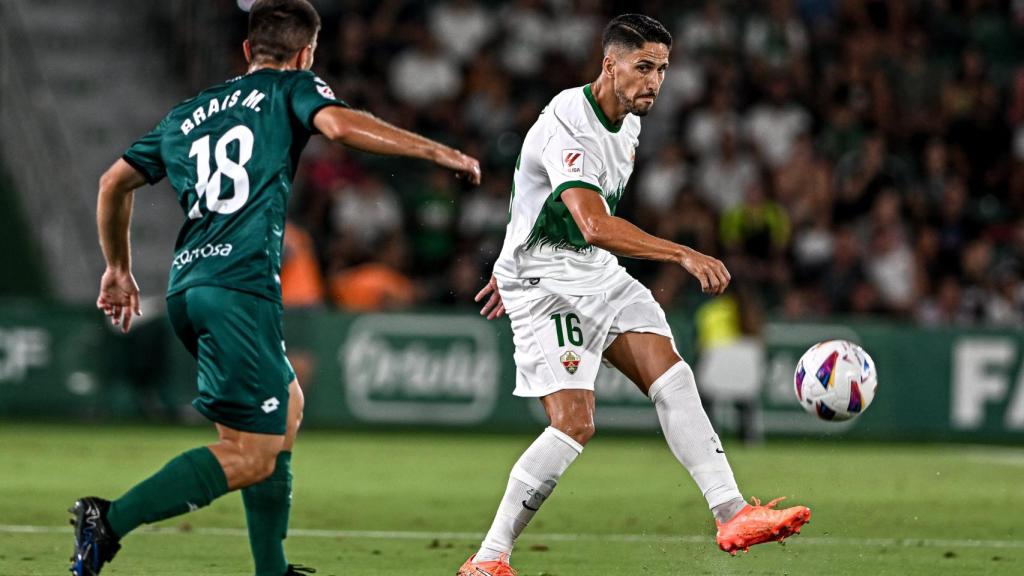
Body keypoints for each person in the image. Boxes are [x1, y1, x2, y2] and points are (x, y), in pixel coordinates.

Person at [73, 1, 480, 575]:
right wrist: (436, 150)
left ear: (246, 50)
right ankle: (107, 520)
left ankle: (273, 570)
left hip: (192, 284)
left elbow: (113, 182)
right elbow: (338, 126)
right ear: (306, 53)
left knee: (284, 407)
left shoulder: (189, 111)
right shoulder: (292, 88)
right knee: (251, 456)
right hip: (240, 288)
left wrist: (118, 267)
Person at [465, 14, 809, 576]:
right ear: (610, 64)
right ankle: (489, 559)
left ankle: (731, 512)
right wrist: (681, 253)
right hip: (544, 285)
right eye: (643, 67)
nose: (654, 81)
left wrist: (513, 248)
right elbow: (595, 224)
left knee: (672, 375)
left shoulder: (629, 121)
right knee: (574, 423)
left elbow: (538, 202)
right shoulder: (568, 123)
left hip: (592, 270)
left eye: (663, 70)